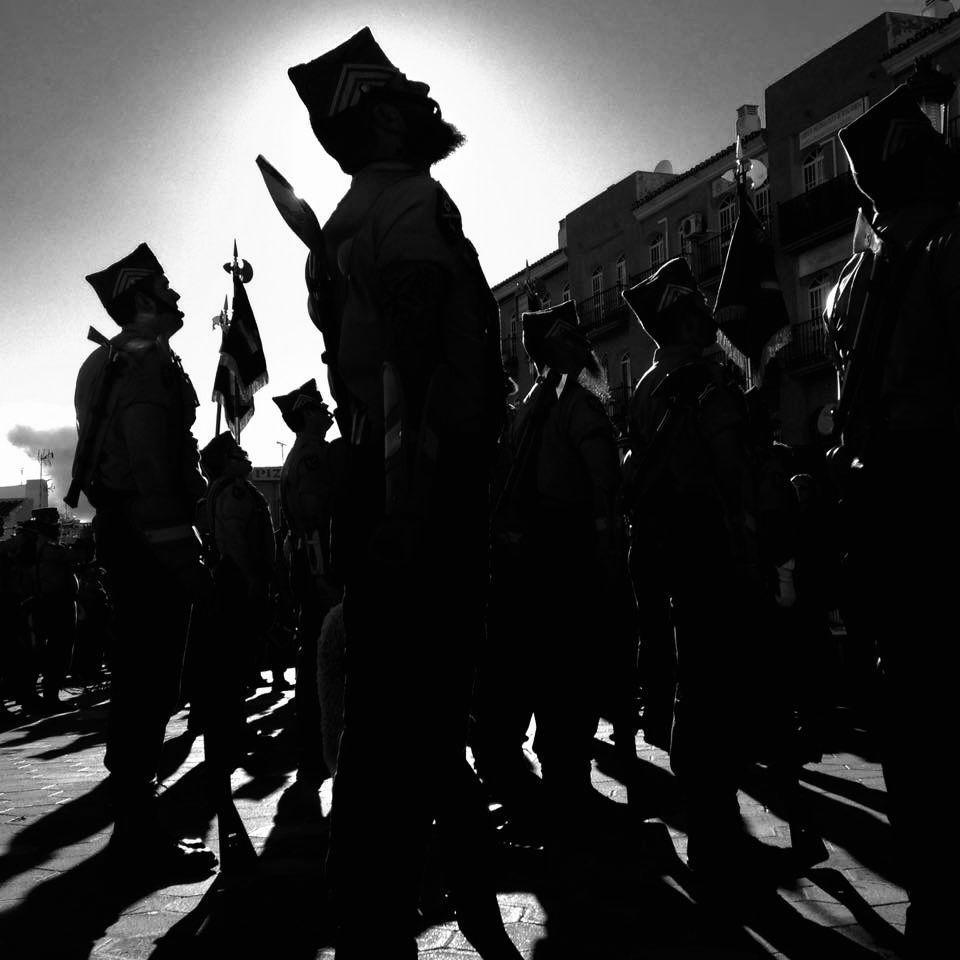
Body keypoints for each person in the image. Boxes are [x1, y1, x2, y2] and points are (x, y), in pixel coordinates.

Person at [286, 27, 518, 958]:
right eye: (409, 97)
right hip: (420, 488)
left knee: (405, 721)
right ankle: (376, 925)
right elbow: (414, 362)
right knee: (397, 735)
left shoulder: (346, 223)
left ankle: (453, 887)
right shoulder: (413, 200)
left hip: (388, 488)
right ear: (381, 117)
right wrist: (415, 506)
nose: (428, 105)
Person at [622, 258, 825, 877]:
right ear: (680, 322)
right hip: (723, 560)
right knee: (729, 692)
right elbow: (740, 476)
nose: (710, 318)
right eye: (696, 311)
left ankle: (715, 826)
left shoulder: (646, 392)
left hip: (678, 564)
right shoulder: (706, 389)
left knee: (699, 687)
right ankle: (717, 834)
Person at [826, 84, 960, 954]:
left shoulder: (851, 284)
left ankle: (932, 885)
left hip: (886, 503)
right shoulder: (950, 250)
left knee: (911, 700)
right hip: (945, 487)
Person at [72, 242, 216, 876]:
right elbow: (153, 469)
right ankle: (138, 829)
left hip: (127, 534)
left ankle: (135, 814)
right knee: (151, 683)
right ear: (139, 301)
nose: (178, 298)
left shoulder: (105, 361)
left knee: (140, 680)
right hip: (150, 538)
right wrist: (186, 557)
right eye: (165, 291)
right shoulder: (144, 365)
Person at [479, 299, 632, 834]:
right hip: (568, 559)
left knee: (535, 674)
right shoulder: (577, 404)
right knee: (570, 677)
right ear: (556, 348)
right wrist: (611, 562)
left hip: (524, 566)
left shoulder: (527, 408)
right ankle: (568, 786)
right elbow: (605, 490)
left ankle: (543, 783)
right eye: (573, 339)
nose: (584, 346)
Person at [273, 380, 344, 791]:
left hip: (305, 559)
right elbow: (316, 524)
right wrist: (322, 577)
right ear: (305, 415)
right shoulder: (313, 454)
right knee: (319, 656)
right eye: (318, 408)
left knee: (311, 651)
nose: (327, 412)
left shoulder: (304, 453)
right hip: (316, 561)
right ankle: (318, 748)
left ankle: (312, 748)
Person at [197, 431, 276, 751]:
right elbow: (235, 540)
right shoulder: (235, 492)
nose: (244, 456)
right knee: (236, 658)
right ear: (227, 461)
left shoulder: (225, 490)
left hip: (232, 579)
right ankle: (231, 727)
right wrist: (253, 579)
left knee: (235, 658)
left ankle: (230, 723)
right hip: (238, 580)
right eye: (237, 453)